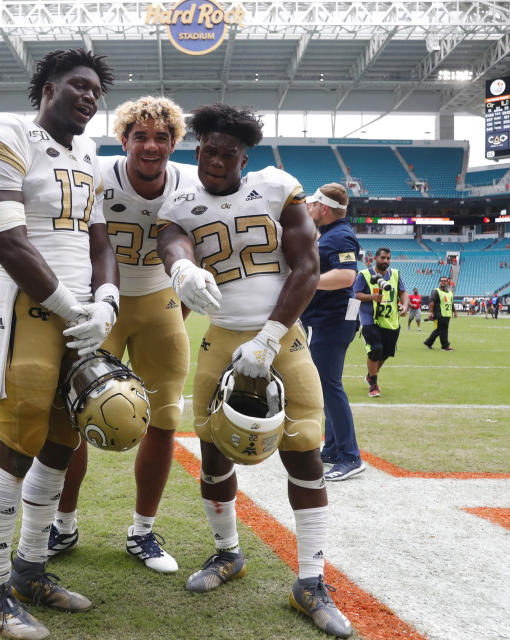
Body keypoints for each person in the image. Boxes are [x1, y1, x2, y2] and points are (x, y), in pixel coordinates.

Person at [156, 104, 352, 638]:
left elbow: (309, 268)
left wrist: (268, 339)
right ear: (195, 150)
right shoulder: (181, 198)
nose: (215, 161)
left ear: (245, 157)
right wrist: (181, 265)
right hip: (220, 338)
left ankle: (310, 580)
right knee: (213, 449)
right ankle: (227, 554)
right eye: (207, 151)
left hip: (281, 336)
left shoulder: (274, 187)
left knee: (305, 448)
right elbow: (171, 235)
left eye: (227, 154)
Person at [0, 48, 117, 640]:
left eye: (96, 91)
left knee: (62, 440)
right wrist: (71, 306)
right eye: (79, 85)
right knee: (17, 444)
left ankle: (30, 569)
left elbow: (101, 240)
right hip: (32, 308)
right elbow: (7, 240)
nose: (90, 97)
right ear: (48, 87)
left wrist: (105, 300)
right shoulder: (4, 133)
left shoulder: (89, 154)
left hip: (82, 316)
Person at [47, 96, 196, 572]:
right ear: (123, 139)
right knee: (71, 417)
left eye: (161, 137)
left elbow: (203, 244)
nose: (150, 146)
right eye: (140, 136)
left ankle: (143, 532)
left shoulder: (190, 182)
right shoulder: (97, 171)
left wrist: (178, 309)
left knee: (165, 418)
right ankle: (63, 524)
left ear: (175, 142)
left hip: (159, 303)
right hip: (100, 305)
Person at [300, 183, 365, 482]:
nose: (310, 209)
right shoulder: (332, 234)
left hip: (334, 320)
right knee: (326, 386)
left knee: (329, 386)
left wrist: (308, 281)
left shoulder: (339, 236)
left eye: (313, 205)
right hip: (329, 319)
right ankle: (335, 447)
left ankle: (350, 456)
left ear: (324, 208)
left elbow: (346, 275)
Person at [354, 247, 406, 398]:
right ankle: (374, 385)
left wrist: (404, 305)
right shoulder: (364, 275)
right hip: (369, 319)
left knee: (386, 352)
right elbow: (355, 294)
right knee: (375, 349)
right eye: (383, 258)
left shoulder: (395, 274)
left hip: (390, 320)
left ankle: (371, 375)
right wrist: (372, 297)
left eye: (388, 258)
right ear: (375, 258)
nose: (386, 261)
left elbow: (403, 292)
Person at [425, 277, 455, 351]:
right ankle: (445, 346)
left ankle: (428, 342)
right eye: (442, 281)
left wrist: (454, 311)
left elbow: (451, 303)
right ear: (439, 282)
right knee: (444, 330)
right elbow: (431, 302)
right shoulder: (436, 291)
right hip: (439, 314)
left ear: (447, 282)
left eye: (445, 281)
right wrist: (431, 312)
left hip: (447, 314)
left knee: (439, 330)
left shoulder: (450, 292)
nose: (443, 282)